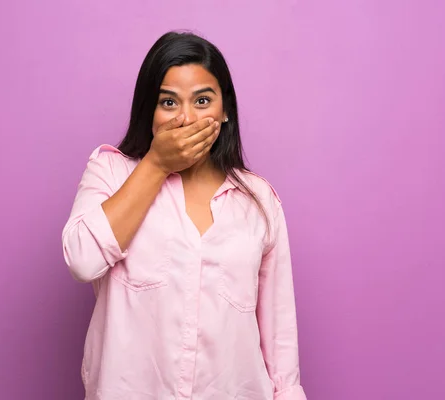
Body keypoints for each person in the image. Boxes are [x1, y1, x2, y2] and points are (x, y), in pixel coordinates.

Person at [62, 31, 307, 400]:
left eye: (203, 100)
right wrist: (157, 164)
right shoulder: (110, 173)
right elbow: (82, 260)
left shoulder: (259, 201)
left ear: (225, 111)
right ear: (150, 111)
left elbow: (279, 338)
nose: (186, 118)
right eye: (169, 102)